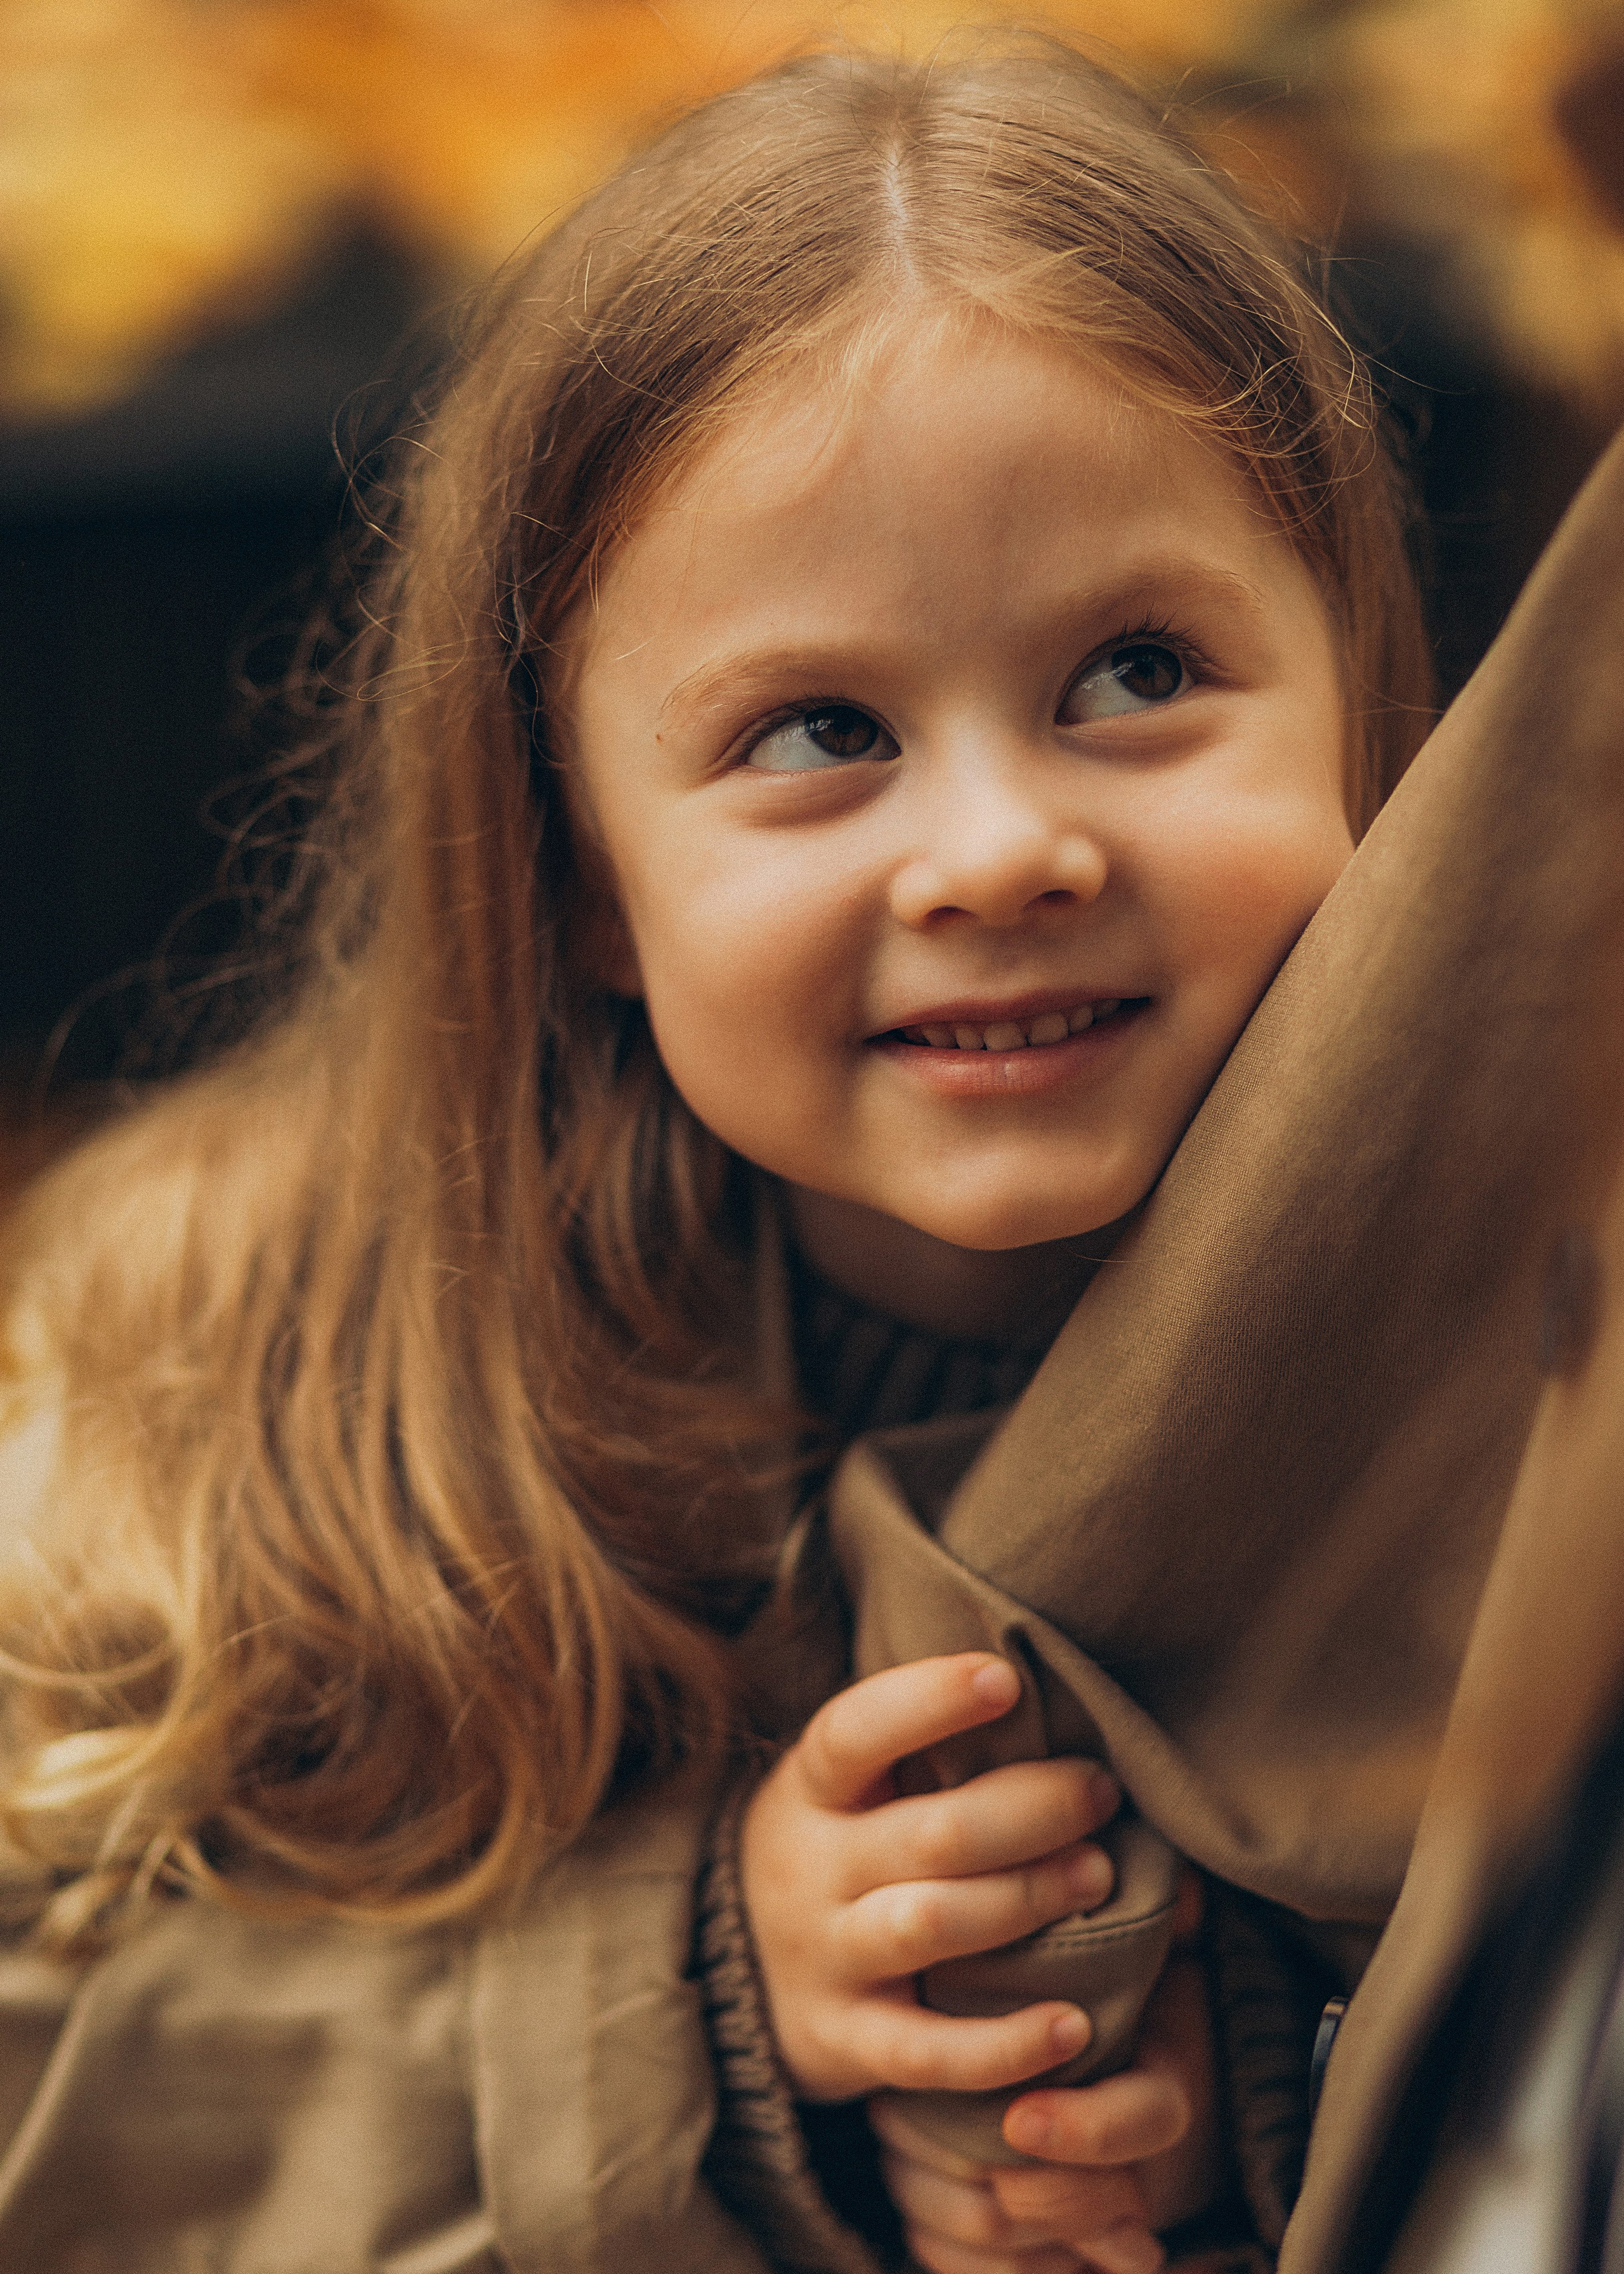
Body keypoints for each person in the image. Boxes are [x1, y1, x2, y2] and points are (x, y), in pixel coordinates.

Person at [0, 39, 1441, 2274]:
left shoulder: (1534, 1367)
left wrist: (1217, 2097)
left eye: (1139, 671)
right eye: (820, 734)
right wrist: (709, 2017)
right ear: (577, 866)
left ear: (1366, 712)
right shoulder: (232, 1374)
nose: (1000, 849)